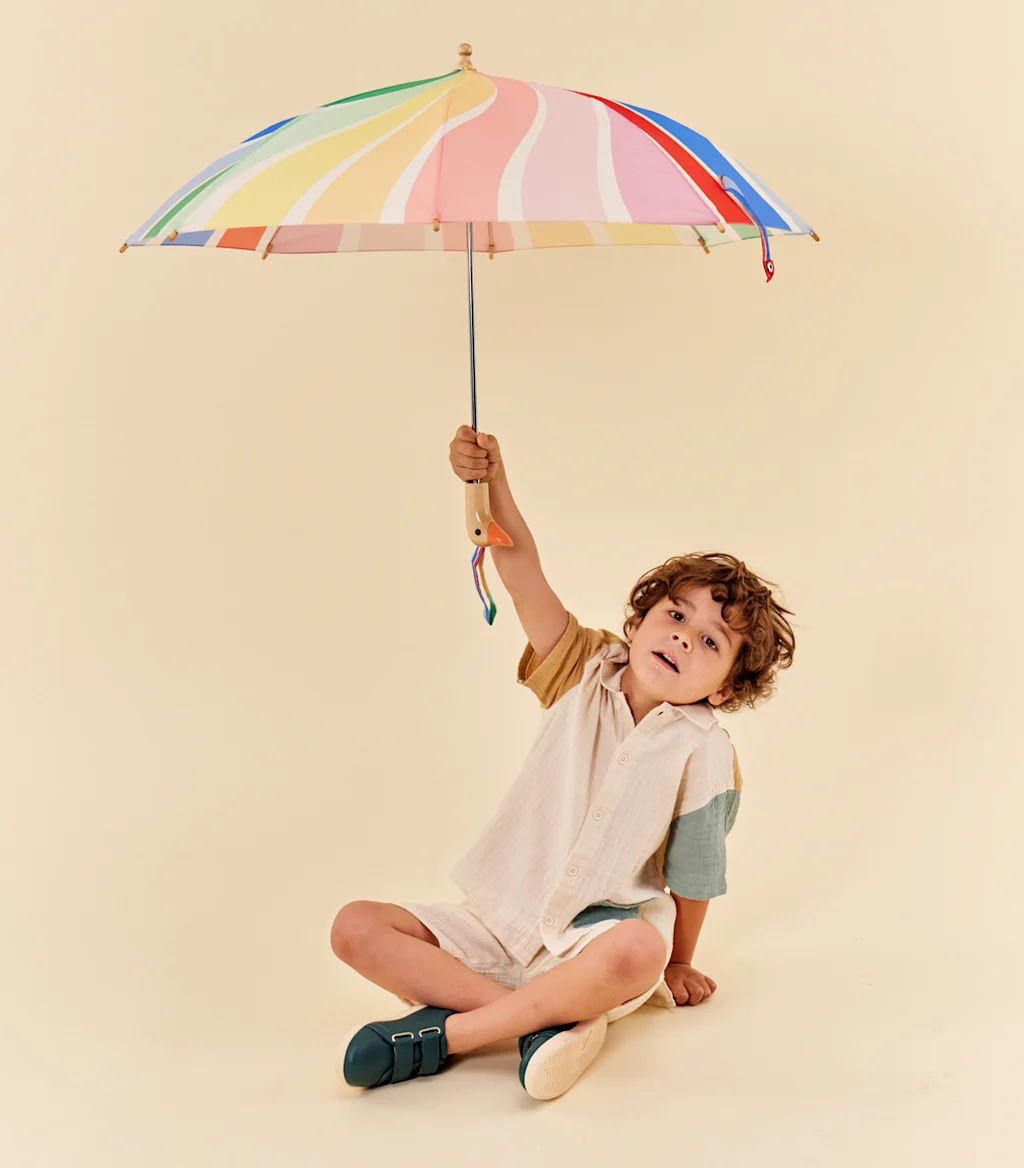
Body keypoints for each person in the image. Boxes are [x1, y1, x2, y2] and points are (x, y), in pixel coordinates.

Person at [331, 425, 796, 1100]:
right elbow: (520, 572)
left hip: (592, 942)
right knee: (355, 927)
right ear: (636, 624)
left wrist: (682, 962)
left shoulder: (705, 751)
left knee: (643, 950)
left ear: (723, 687)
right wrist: (489, 481)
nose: (681, 638)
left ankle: (452, 1034)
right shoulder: (580, 666)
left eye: (709, 641)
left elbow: (693, 874)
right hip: (501, 919)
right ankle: (541, 1024)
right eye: (674, 614)